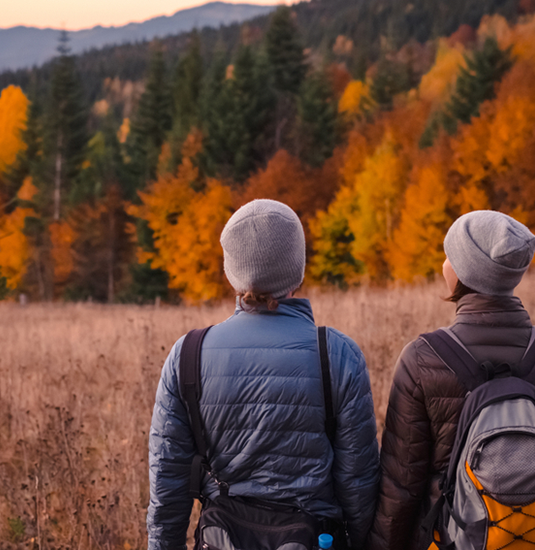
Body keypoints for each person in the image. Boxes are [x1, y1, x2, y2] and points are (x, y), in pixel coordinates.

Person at [147, 199, 380, 550]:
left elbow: (168, 485)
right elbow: (358, 483)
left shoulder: (188, 355)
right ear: (297, 268)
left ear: (231, 271)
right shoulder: (336, 354)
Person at [368, 210, 535, 550]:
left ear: (461, 271)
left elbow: (401, 488)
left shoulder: (422, 359)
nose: (444, 263)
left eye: (449, 255)